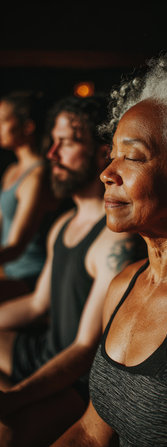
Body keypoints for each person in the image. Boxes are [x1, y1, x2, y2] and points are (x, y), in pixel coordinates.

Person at [45, 47, 167, 447]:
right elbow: (92, 433)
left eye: (134, 158)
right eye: (111, 156)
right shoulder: (125, 283)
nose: (108, 173)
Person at [0, 95, 145, 447]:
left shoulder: (114, 242)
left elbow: (84, 348)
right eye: (54, 142)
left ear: (100, 154)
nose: (52, 154)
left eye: (67, 143)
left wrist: (15, 398)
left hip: (74, 379)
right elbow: (37, 304)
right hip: (44, 353)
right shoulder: (63, 223)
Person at [0, 90, 59, 301]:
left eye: (3, 120)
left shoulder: (38, 175)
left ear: (28, 126)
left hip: (32, 276)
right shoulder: (11, 171)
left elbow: (16, 247)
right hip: (9, 272)